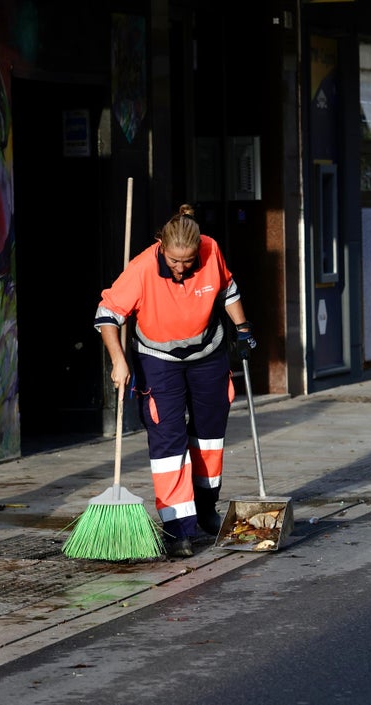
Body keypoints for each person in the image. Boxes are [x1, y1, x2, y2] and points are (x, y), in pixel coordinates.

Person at [94, 204, 256, 558]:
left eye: (188, 260)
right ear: (160, 246)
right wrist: (118, 360)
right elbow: (107, 314)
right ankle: (177, 527)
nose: (182, 268)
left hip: (207, 354)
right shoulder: (140, 269)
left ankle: (206, 507)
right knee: (168, 441)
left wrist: (243, 329)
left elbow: (228, 289)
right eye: (174, 261)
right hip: (159, 361)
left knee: (210, 436)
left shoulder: (211, 250)